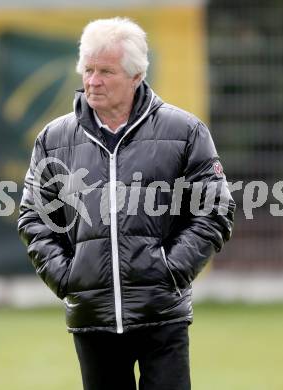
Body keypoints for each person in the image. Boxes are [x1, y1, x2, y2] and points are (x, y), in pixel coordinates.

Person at [18, 17, 235, 390]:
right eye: (88, 70)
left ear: (136, 76)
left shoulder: (185, 132)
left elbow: (214, 210)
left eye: (106, 71)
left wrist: (170, 270)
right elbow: (34, 217)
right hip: (92, 318)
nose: (93, 81)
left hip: (162, 313)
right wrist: (69, 278)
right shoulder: (54, 139)